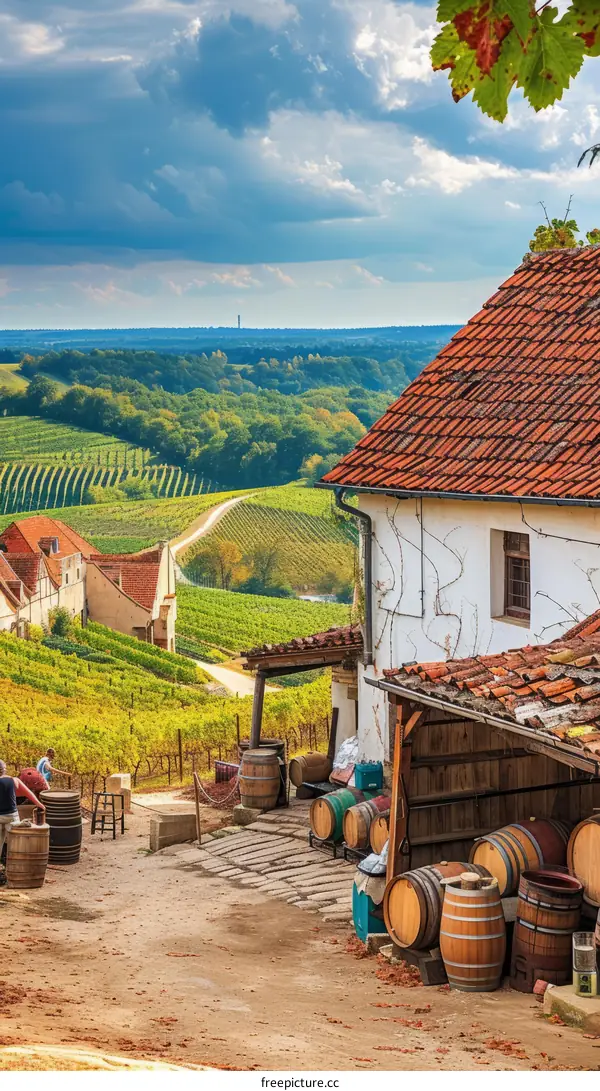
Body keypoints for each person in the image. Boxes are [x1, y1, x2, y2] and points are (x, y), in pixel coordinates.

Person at [0, 760, 45, 870]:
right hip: (11, 816)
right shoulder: (14, 780)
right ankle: (18, 825)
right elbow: (28, 793)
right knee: (14, 842)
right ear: (5, 769)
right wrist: (40, 805)